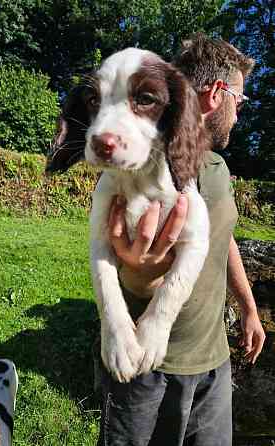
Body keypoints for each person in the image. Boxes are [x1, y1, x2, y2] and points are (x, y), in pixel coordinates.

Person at [96, 33, 266, 446]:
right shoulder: (138, 167)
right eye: (239, 103)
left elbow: (222, 238)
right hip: (149, 365)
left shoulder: (218, 167)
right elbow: (124, 259)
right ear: (216, 94)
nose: (239, 116)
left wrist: (248, 307)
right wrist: (141, 280)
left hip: (214, 363)